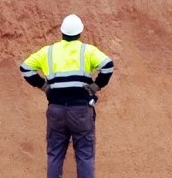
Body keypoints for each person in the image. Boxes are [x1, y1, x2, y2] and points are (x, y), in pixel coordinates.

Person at [20, 14, 115, 178]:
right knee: (85, 155)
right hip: (80, 111)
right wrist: (97, 85)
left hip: (56, 110)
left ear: (61, 32)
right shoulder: (87, 50)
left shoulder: (48, 51)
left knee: (55, 155)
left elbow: (25, 67)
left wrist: (43, 86)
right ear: (80, 33)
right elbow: (107, 66)